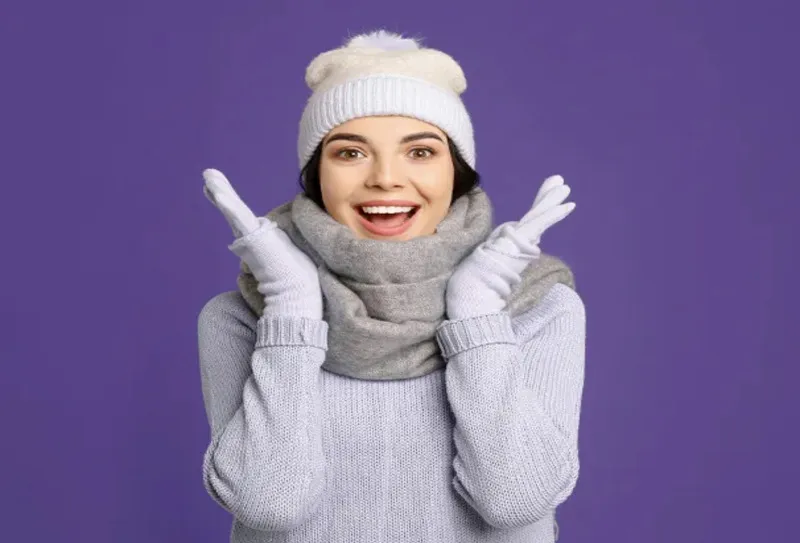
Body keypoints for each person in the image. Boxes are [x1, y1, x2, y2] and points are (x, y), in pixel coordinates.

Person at [197, 29, 586, 543]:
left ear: (457, 172)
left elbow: (514, 500)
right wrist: (291, 310)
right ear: (317, 176)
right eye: (351, 153)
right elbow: (269, 506)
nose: (385, 178)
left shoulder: (539, 306)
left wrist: (475, 315)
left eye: (420, 152)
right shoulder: (242, 318)